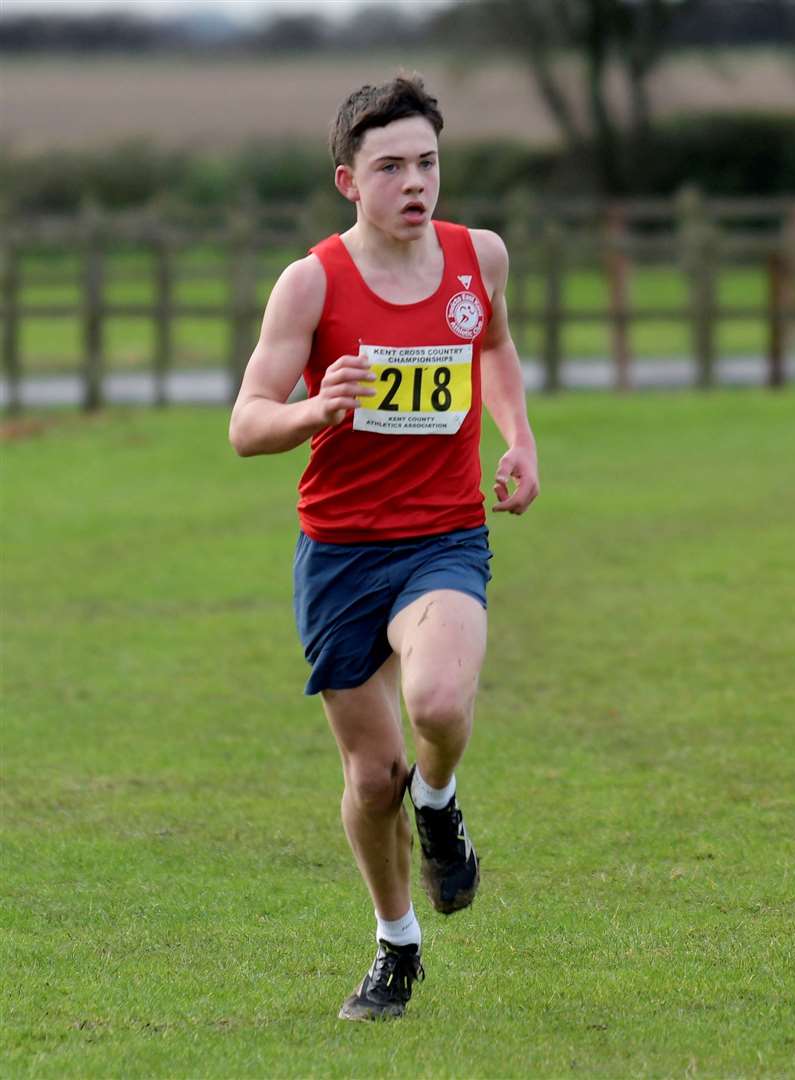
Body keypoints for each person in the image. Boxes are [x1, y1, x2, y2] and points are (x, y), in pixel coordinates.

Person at [228, 74, 539, 1021]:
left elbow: (491, 349)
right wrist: (318, 408)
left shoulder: (477, 257)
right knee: (371, 778)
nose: (416, 183)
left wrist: (519, 439)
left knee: (439, 699)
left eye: (428, 163)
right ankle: (395, 944)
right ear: (347, 181)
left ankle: (440, 806)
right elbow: (246, 424)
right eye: (392, 166)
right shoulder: (312, 282)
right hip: (340, 553)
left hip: (443, 534)